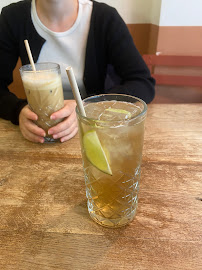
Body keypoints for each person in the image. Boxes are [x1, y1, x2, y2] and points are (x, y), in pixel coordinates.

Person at [0, 0, 155, 143]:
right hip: (38, 134)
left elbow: (143, 82)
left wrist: (86, 107)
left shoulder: (105, 18)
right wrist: (17, 111)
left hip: (95, 132)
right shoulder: (13, 17)